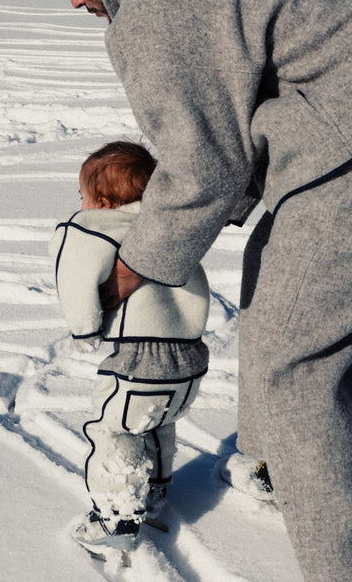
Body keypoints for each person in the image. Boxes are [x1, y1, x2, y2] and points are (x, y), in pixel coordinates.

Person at [53, 0, 352, 581]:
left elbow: (203, 164)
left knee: (293, 362)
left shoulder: (155, 3)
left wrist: (138, 263)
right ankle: (272, 463)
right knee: (280, 284)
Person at [48, 141, 211, 553]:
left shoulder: (92, 226)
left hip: (140, 358)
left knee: (112, 430)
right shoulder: (168, 227)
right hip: (191, 358)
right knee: (156, 424)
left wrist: (85, 331)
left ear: (102, 201)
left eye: (82, 194)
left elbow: (75, 274)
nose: (79, 202)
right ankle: (154, 491)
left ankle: (117, 518)